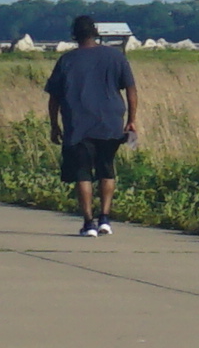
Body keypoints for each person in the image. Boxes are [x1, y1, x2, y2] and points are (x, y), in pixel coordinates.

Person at [46, 14, 138, 236]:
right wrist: (132, 120)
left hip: (78, 125)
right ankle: (105, 218)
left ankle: (89, 222)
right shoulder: (116, 57)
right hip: (110, 122)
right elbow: (131, 90)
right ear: (96, 33)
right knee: (107, 169)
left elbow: (54, 98)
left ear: (74, 35)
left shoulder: (67, 60)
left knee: (83, 174)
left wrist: (54, 125)